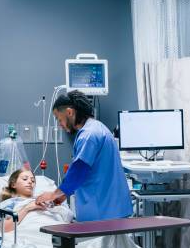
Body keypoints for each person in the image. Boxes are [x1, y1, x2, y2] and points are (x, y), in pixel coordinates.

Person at [35, 91, 132, 221]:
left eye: (59, 119)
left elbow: (79, 171)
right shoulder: (99, 128)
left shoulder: (88, 135)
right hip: (113, 209)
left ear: (69, 112)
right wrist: (64, 194)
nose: (60, 125)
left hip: (102, 213)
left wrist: (53, 194)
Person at [0, 168, 47, 232]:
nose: (30, 182)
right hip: (34, 229)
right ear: (13, 184)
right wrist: (27, 208)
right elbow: (4, 228)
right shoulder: (11, 203)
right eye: (25, 179)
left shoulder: (40, 199)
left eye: (33, 181)